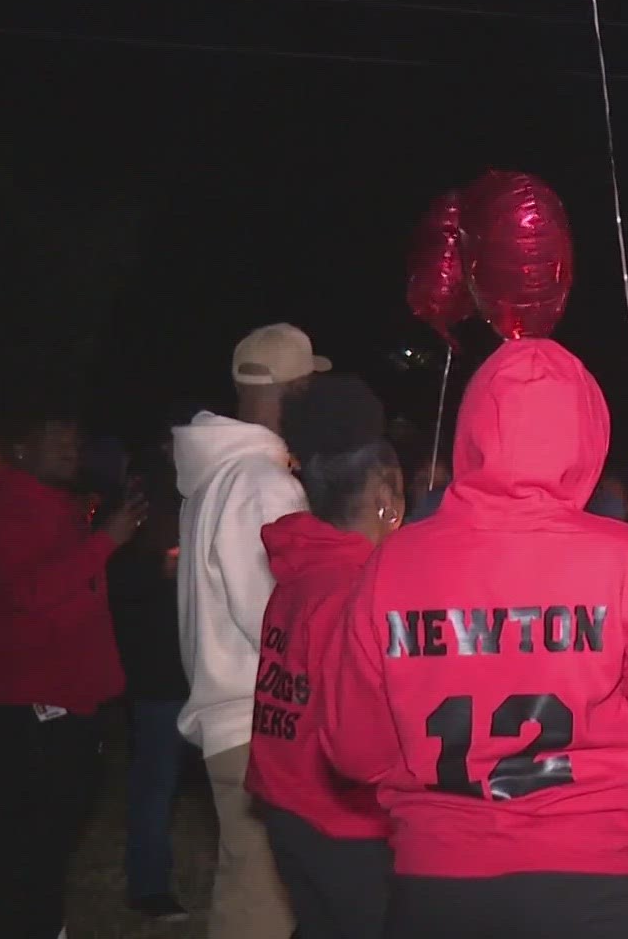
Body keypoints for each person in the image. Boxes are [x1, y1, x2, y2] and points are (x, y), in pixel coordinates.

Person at [316, 339, 628, 938]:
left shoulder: (392, 563)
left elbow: (353, 750)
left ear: (473, 430)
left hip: (438, 871)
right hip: (591, 874)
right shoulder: (624, 559)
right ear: (588, 434)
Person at [175, 322, 327, 938]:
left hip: (231, 716)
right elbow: (279, 616)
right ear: (291, 390)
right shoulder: (261, 483)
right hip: (260, 721)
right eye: (310, 383)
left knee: (249, 892)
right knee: (261, 905)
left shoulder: (214, 477)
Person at [0, 413, 147, 939]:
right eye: (56, 442)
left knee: (51, 838)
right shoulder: (9, 507)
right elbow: (23, 593)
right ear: (24, 450)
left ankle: (40, 924)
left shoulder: (62, 507)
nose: (70, 450)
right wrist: (104, 543)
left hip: (71, 700)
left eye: (75, 441)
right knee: (30, 838)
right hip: (35, 703)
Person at [246, 374, 402, 939]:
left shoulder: (300, 569)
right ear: (387, 495)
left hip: (288, 805)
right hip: (348, 825)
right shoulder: (359, 590)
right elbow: (370, 728)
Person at [107, 416, 194, 921]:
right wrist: (158, 571)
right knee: (155, 780)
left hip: (195, 663)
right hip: (159, 668)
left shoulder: (194, 495)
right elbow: (115, 579)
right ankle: (148, 886)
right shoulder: (142, 500)